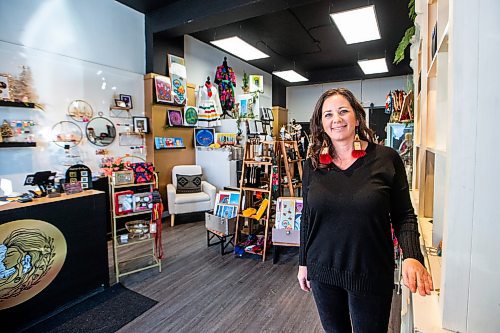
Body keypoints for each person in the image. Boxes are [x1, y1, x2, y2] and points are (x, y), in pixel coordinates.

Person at [297, 88, 432, 333]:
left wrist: (412, 255)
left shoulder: (387, 159)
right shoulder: (312, 165)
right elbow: (307, 218)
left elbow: (404, 215)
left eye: (342, 111)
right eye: (328, 115)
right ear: (321, 124)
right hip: (322, 272)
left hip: (370, 272)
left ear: (357, 118)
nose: (336, 119)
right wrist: (303, 263)